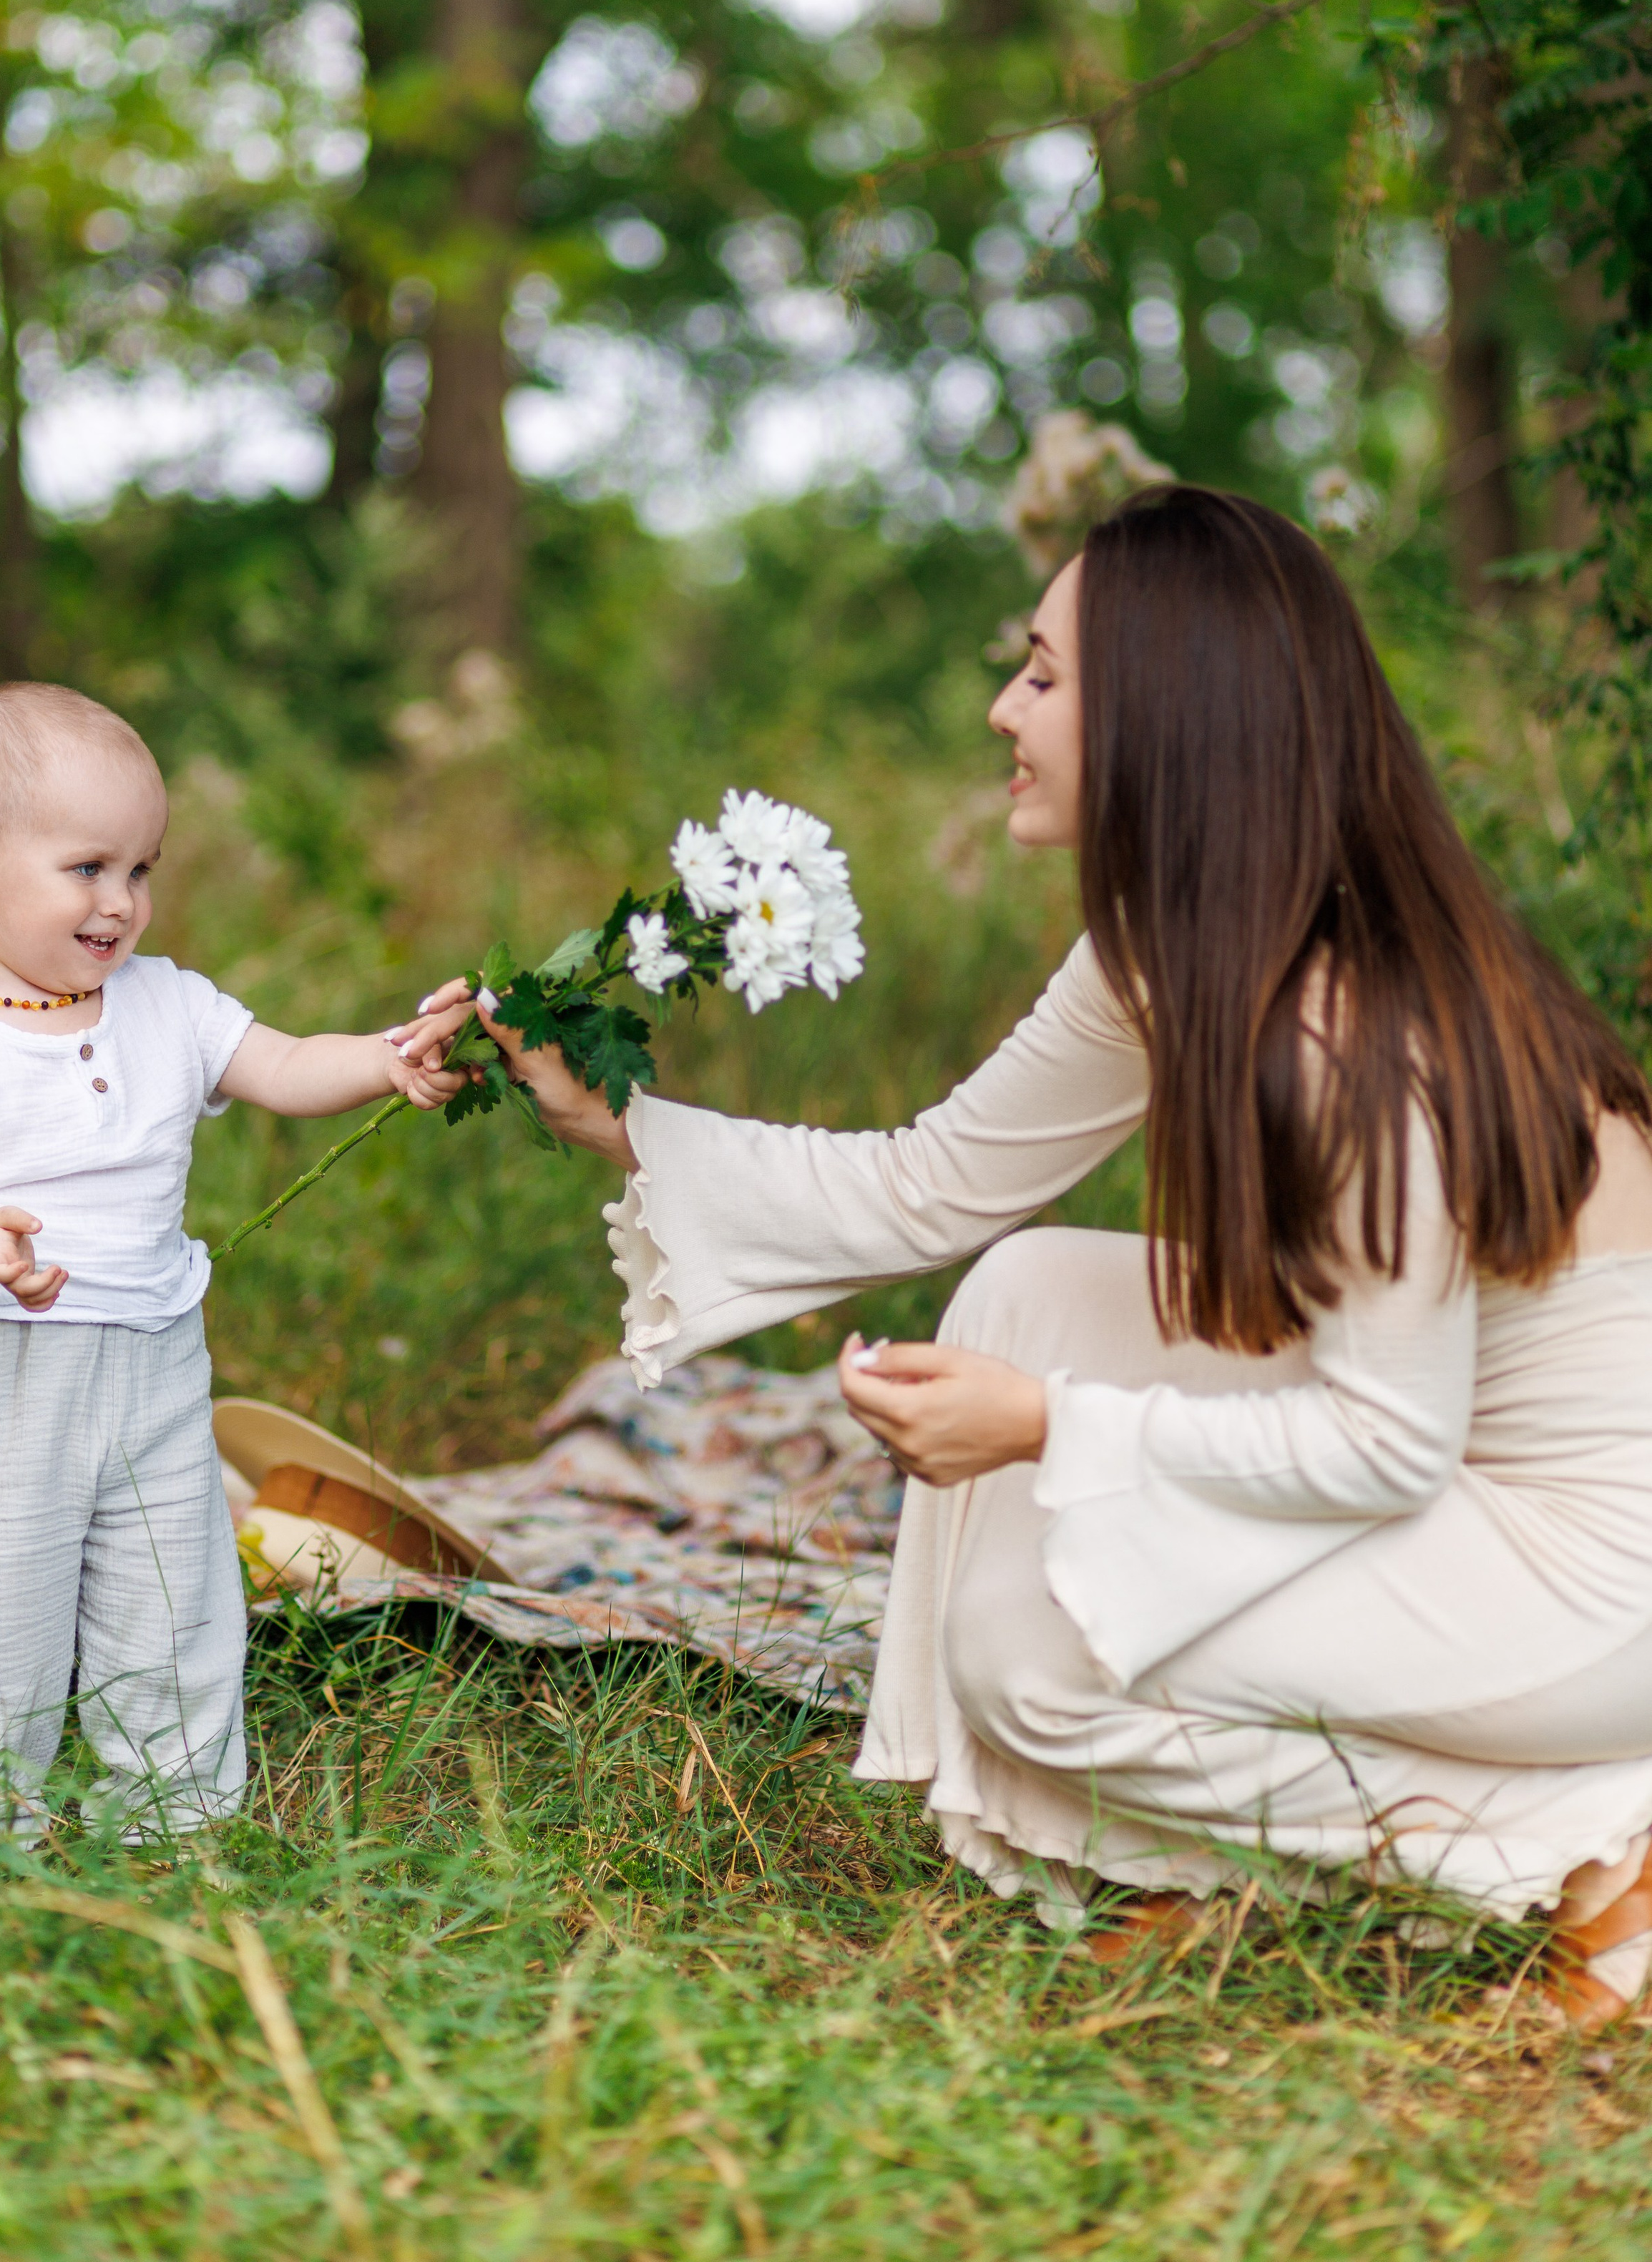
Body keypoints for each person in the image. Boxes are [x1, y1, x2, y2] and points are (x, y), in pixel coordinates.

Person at [404, 486, 1652, 2030]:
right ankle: (1199, 1860)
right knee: (1024, 1287)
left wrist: (1050, 1428)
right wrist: (622, 1122)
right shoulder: (1174, 943)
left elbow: (1385, 1446)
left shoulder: (1349, 1037)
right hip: (1449, 1458)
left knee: (1042, 1669)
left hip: (1589, 1572)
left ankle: (1603, 1835)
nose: (1003, 706)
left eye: (1046, 675)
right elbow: (934, 1187)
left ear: (1166, 716)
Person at [0, 682, 470, 1844]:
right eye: (89, 868)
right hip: (4, 1371)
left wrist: (390, 1058)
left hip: (154, 1369)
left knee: (174, 1600)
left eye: (143, 870)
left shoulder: (167, 1004)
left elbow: (282, 1064)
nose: (122, 903)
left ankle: (173, 1817)